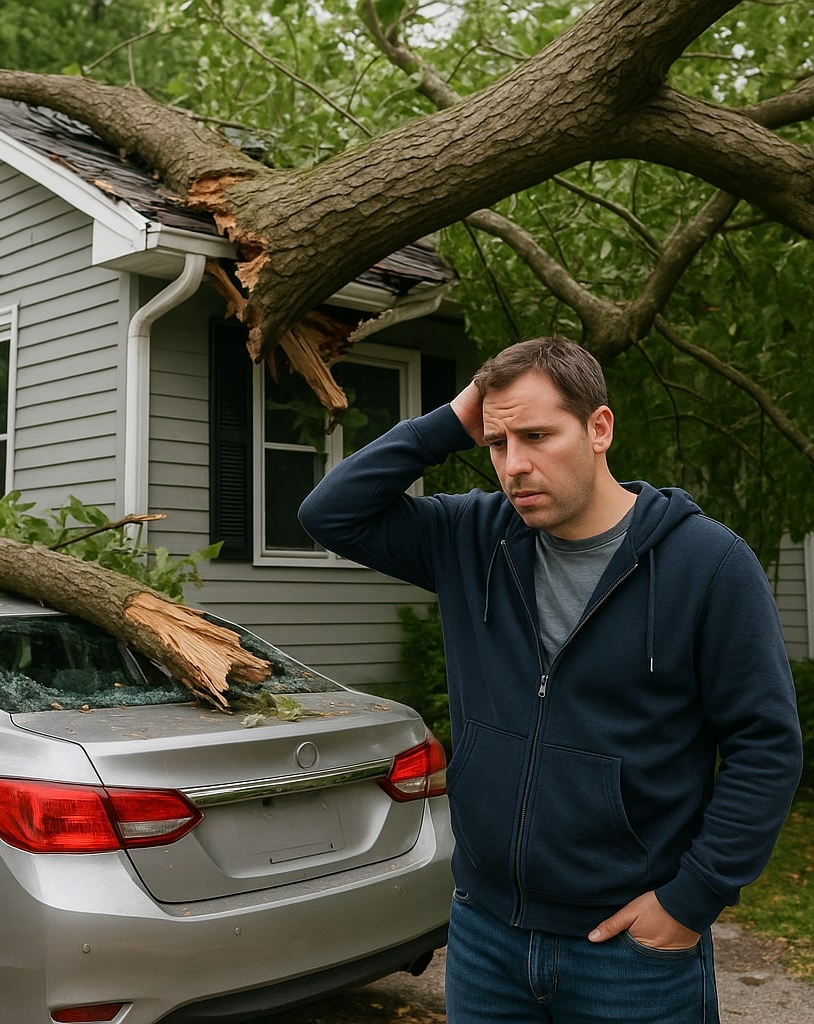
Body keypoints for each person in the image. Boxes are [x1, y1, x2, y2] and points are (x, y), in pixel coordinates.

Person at [298, 337, 803, 1023]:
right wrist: (454, 419)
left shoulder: (708, 564)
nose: (515, 465)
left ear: (600, 428)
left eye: (537, 435)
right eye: (498, 443)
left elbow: (765, 745)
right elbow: (330, 513)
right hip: (485, 936)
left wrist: (692, 900)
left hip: (631, 953)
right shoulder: (471, 538)